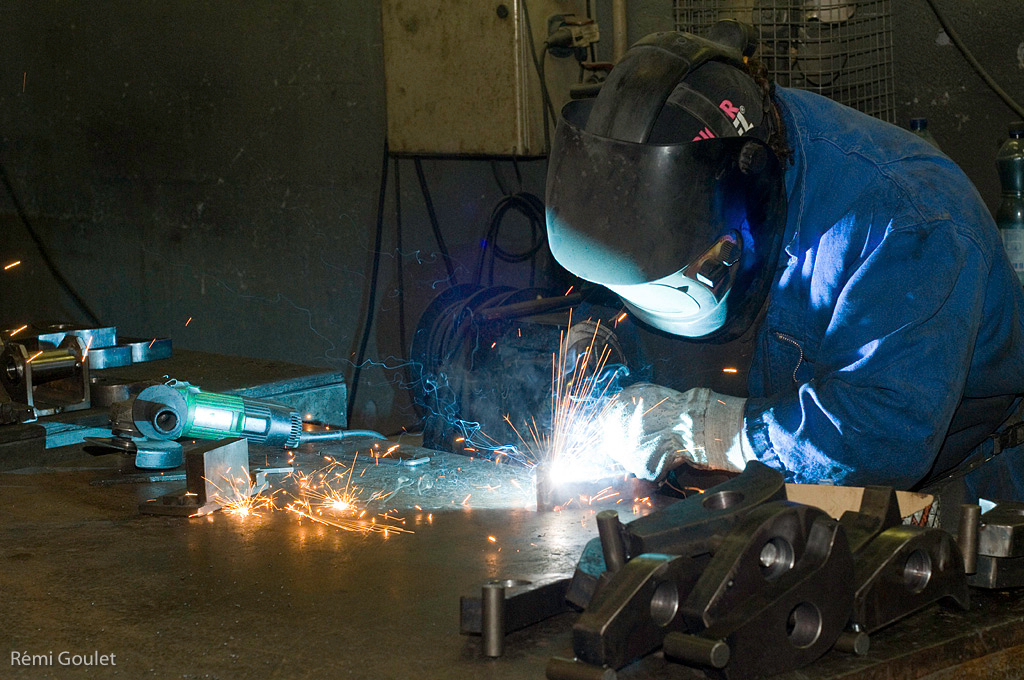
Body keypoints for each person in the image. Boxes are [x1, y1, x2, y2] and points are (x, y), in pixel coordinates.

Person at [544, 21, 1024, 511]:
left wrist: (699, 429)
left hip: (961, 499)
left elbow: (880, 437)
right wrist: (595, 352)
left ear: (746, 193)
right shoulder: (683, 206)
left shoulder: (908, 220)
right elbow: (626, 290)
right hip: (789, 493)